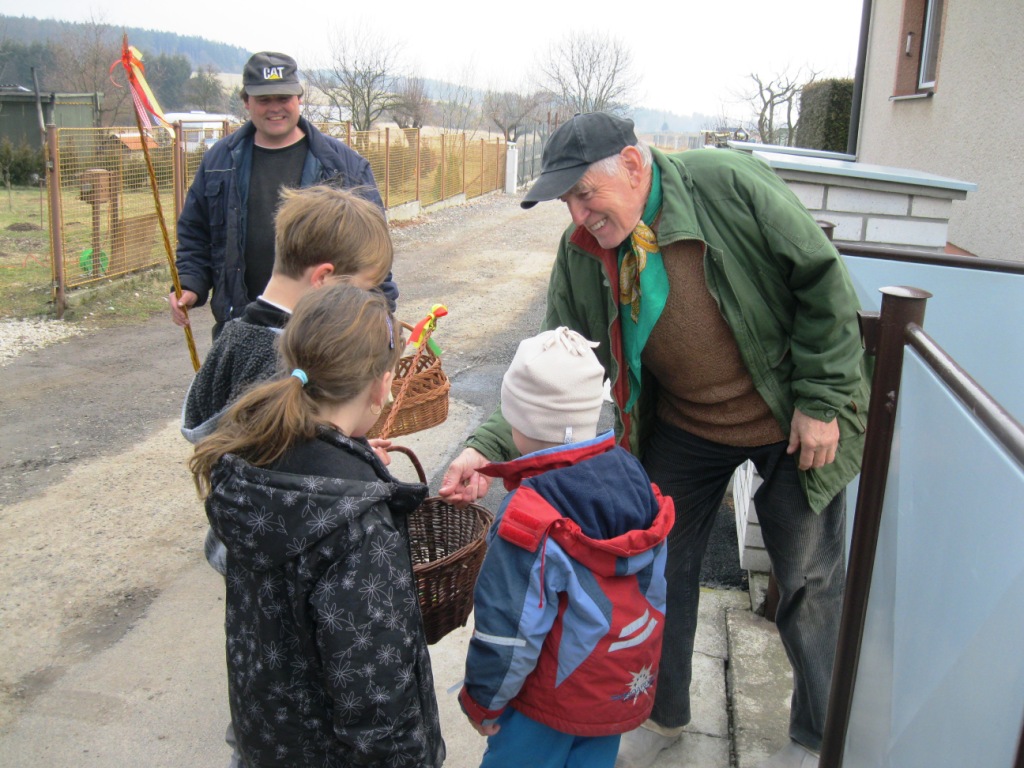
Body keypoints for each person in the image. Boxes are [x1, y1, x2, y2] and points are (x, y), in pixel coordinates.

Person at [440, 112, 871, 768]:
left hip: (788, 415)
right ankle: (662, 712)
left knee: (810, 578)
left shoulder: (727, 184)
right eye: (567, 201)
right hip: (687, 426)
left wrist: (822, 400)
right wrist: (489, 448)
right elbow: (550, 361)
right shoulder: (582, 250)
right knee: (658, 570)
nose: (578, 215)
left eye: (586, 194)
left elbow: (822, 280)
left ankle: (816, 737)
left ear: (634, 165)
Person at [189, 283, 445, 768]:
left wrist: (351, 459)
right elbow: (377, 704)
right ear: (382, 386)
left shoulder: (252, 468)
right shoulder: (359, 526)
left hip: (269, 742)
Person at [458, 326, 675, 768]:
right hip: (615, 688)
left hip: (545, 701)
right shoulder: (633, 478)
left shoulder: (528, 515)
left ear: (519, 421)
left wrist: (482, 699)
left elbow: (508, 626)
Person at [170, 50, 395, 339]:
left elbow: (373, 252)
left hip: (322, 333)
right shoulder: (219, 161)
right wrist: (190, 283)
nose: (275, 108)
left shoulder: (345, 165)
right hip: (240, 328)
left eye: (283, 98)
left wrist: (381, 318)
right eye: (264, 99)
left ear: (299, 98)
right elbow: (195, 232)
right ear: (246, 101)